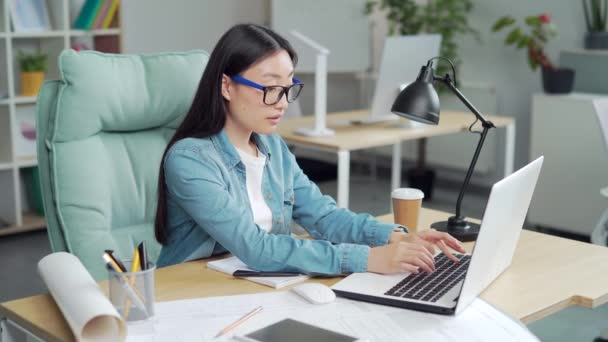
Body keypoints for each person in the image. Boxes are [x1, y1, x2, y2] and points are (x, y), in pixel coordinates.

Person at [154, 23, 465, 275]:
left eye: (288, 88)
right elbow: (256, 248)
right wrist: (369, 259)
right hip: (194, 293)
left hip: (257, 285)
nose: (282, 103)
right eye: (270, 88)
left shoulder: (272, 146)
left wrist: (394, 237)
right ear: (226, 86)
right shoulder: (190, 159)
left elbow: (324, 216)